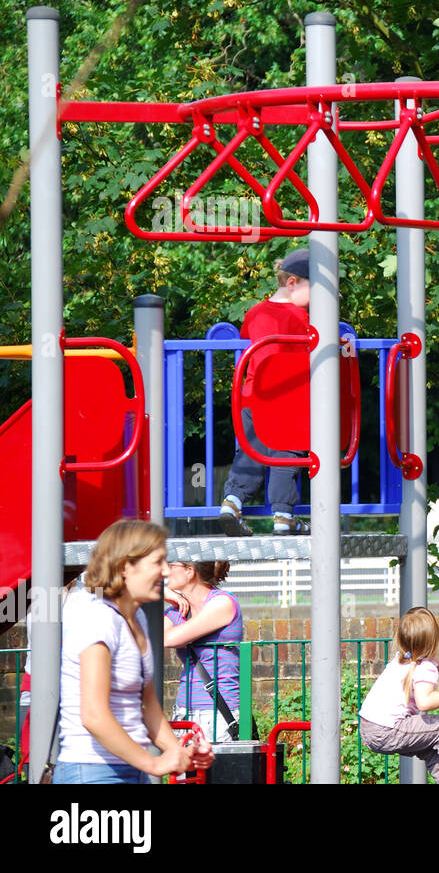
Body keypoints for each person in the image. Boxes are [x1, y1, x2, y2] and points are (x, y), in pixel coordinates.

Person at [54, 519, 213, 783]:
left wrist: (180, 753)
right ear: (126, 566)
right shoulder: (97, 616)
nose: (165, 571)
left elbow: (148, 707)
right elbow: (93, 715)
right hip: (92, 772)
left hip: (131, 769)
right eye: (157, 562)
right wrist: (152, 763)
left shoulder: (135, 619)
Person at [218, 247, 311, 536]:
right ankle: (283, 515)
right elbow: (317, 346)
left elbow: (246, 341)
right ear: (292, 282)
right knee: (286, 455)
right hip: (288, 401)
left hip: (251, 396)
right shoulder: (301, 319)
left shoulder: (254, 312)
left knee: (250, 450)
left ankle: (232, 502)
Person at [358, 607, 439, 783]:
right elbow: (424, 703)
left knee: (434, 748)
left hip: (369, 728)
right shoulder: (424, 667)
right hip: (387, 729)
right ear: (435, 639)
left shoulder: (406, 657)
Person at [163, 559, 245, 742]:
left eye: (171, 566)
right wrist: (161, 592)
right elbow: (153, 636)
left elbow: (169, 638)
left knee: (216, 771)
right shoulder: (179, 609)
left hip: (217, 712)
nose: (165, 570)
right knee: (184, 770)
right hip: (184, 710)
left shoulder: (222, 602)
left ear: (190, 571)